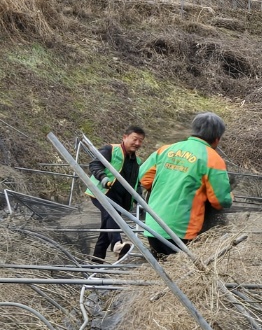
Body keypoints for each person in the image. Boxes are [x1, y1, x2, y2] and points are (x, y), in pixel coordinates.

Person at [140, 112, 233, 256]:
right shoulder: (213, 159)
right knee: (178, 272)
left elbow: (144, 177)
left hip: (153, 226)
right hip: (181, 231)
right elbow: (219, 200)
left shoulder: (166, 150)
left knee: (161, 268)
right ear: (217, 139)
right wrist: (229, 196)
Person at [88, 125, 145, 261]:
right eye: (134, 139)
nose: (137, 143)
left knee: (108, 226)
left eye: (140, 141)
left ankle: (97, 261)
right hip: (102, 192)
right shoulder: (110, 150)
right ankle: (117, 245)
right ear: (125, 137)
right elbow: (94, 164)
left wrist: (140, 201)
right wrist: (102, 177)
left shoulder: (137, 161)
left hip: (120, 199)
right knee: (112, 214)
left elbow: (136, 183)